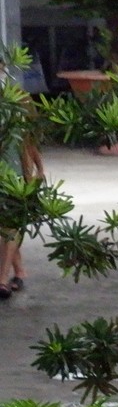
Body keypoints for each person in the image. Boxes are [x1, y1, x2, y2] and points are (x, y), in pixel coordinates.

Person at [0, 122, 42, 300]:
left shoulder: (14, 118)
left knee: (9, 230)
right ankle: (19, 272)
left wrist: (39, 170)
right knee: (5, 228)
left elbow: (29, 144)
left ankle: (2, 279)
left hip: (15, 183)